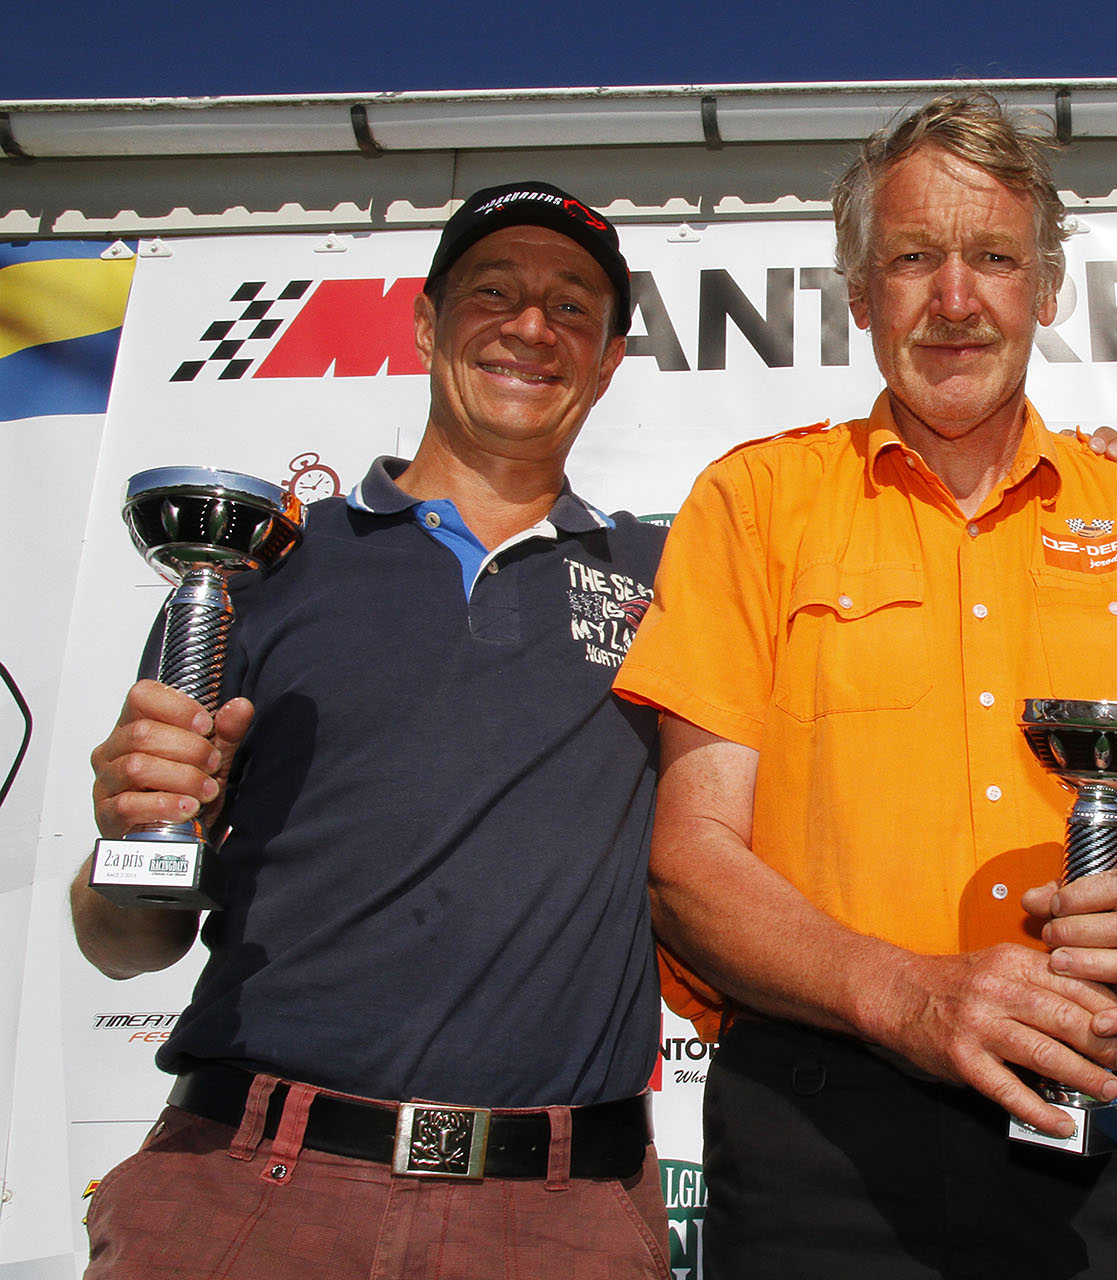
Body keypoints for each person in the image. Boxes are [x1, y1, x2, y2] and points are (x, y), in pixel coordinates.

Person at [613, 95, 1117, 1278]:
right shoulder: (753, 504)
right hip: (819, 1136)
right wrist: (906, 995)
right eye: (913, 259)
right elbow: (690, 860)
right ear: (860, 295)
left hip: (1105, 1115)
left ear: (1047, 289)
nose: (956, 298)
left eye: (995, 257)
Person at [73, 181, 672, 1279]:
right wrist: (131, 833)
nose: (531, 326)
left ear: (608, 360)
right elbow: (124, 943)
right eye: (494, 291)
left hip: (561, 1219)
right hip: (246, 1194)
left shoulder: (671, 581)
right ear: (426, 324)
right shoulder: (262, 568)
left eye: (571, 307)